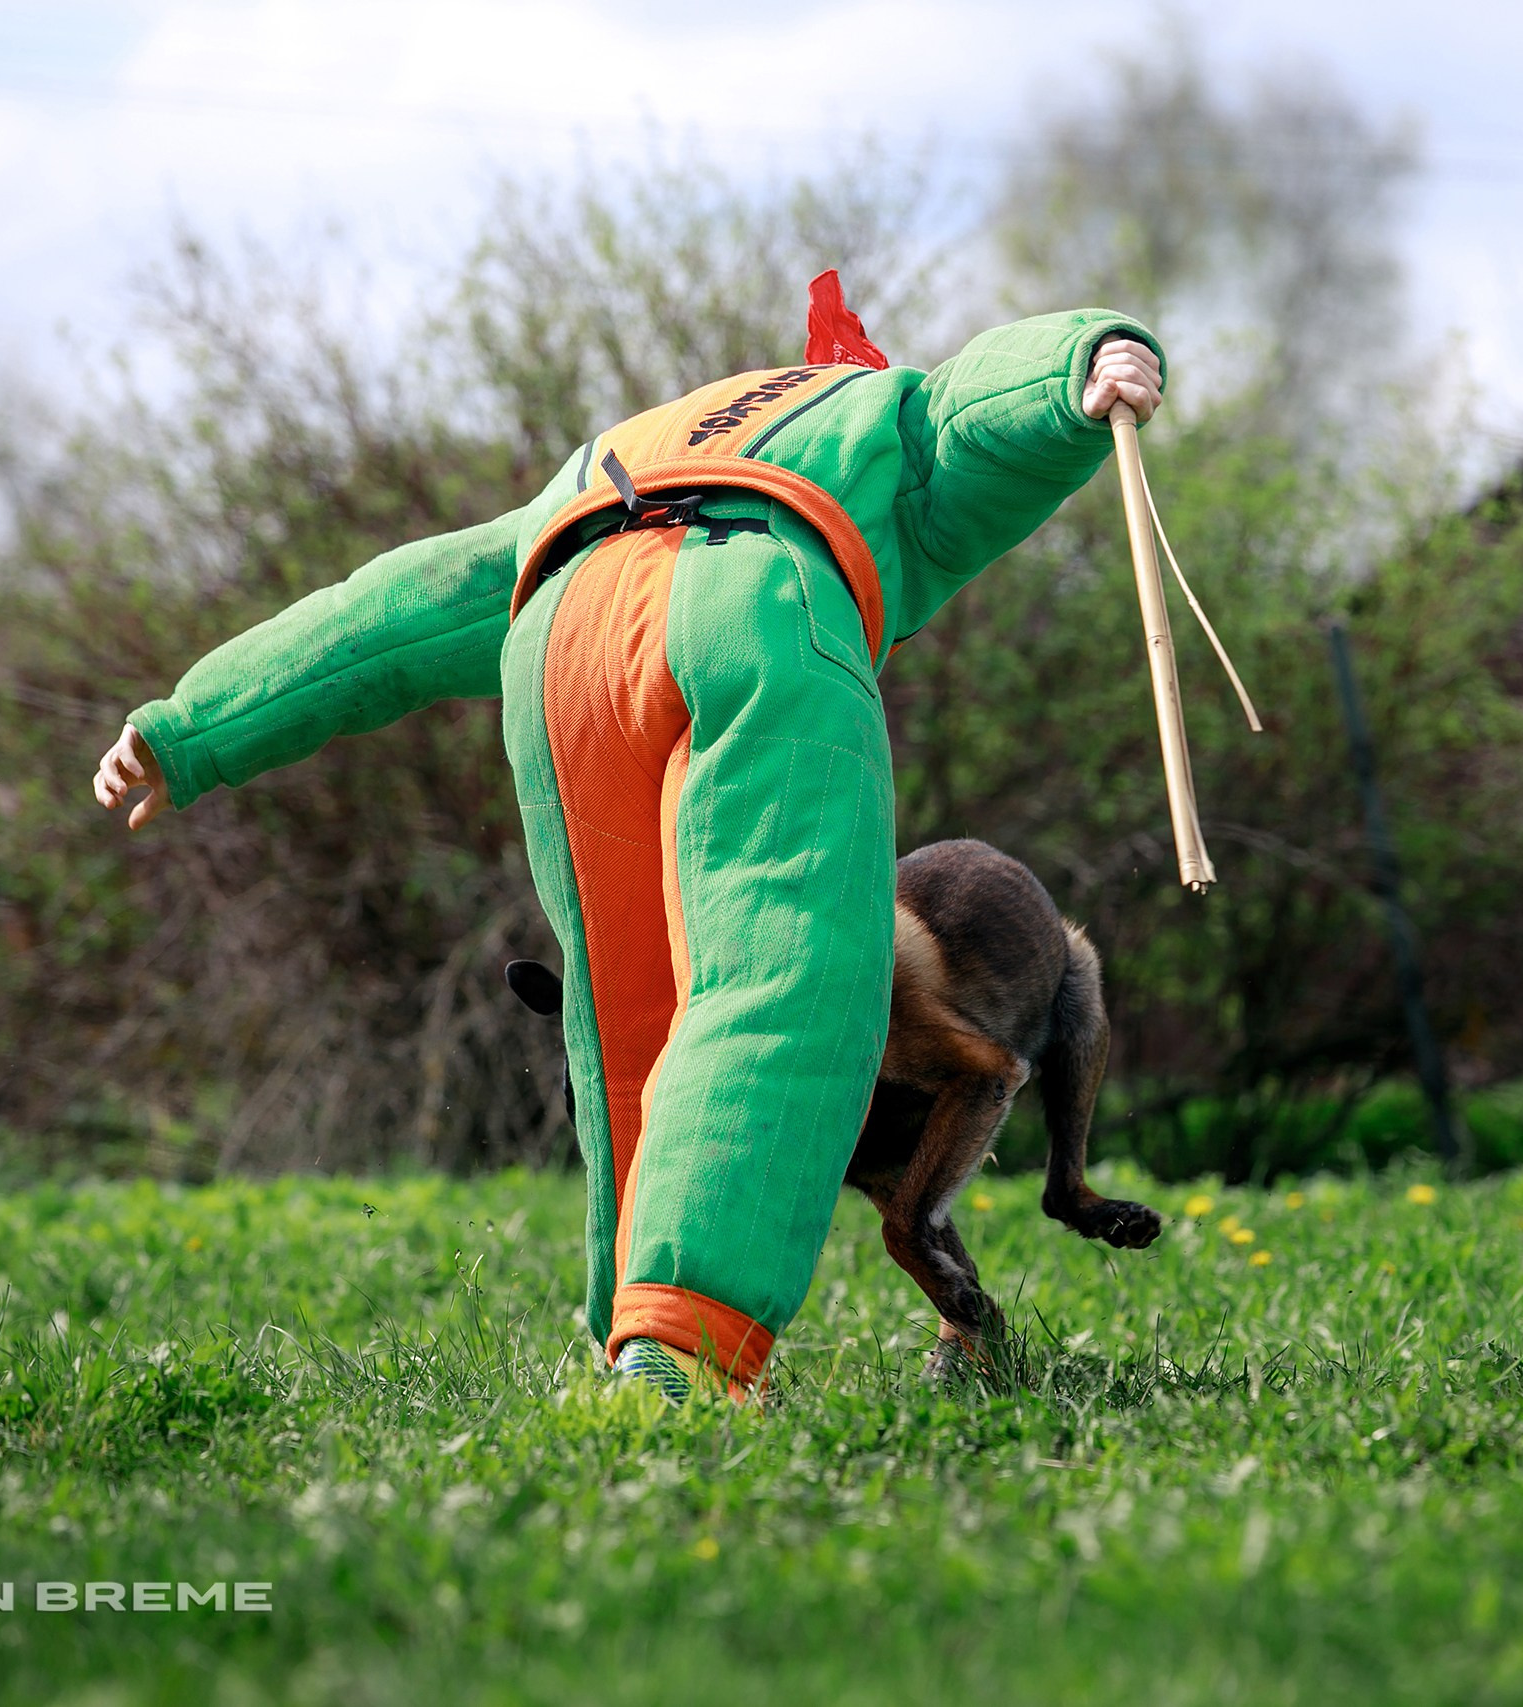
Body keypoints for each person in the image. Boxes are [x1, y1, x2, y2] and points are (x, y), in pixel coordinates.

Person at [94, 282, 1164, 1402]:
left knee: (627, 1018)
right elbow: (969, 407)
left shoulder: (614, 449)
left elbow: (396, 609)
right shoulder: (877, 416)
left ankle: (631, 1332)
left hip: (562, 626)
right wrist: (1082, 363)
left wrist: (193, 726)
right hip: (762, 591)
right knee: (780, 968)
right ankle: (685, 1339)